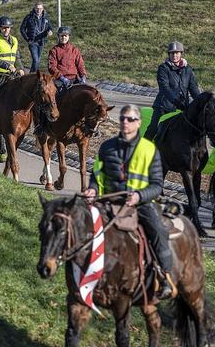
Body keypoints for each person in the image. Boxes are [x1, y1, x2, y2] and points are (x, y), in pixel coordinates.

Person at [83, 104, 175, 300]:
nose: (125, 122)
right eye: (123, 118)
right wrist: (93, 189)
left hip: (140, 204)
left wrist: (140, 196)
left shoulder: (150, 149)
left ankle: (165, 276)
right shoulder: (107, 147)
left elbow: (158, 185)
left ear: (139, 123)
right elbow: (97, 174)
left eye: (131, 119)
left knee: (158, 230)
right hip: (108, 201)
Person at [34, 26, 87, 136]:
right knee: (50, 97)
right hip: (59, 80)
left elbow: (80, 64)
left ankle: (87, 125)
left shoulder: (75, 50)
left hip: (74, 79)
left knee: (86, 98)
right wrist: (62, 78)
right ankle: (42, 125)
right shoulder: (54, 50)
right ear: (58, 37)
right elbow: (52, 67)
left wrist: (83, 77)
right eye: (61, 36)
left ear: (69, 37)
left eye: (65, 36)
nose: (63, 37)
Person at [144, 41, 200, 140]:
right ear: (169, 54)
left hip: (183, 107)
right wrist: (175, 101)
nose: (174, 55)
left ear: (181, 54)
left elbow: (193, 89)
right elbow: (165, 88)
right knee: (153, 128)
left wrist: (201, 101)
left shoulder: (188, 70)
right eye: (172, 53)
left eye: (177, 53)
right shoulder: (163, 68)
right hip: (163, 107)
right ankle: (143, 148)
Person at [20, 1, 53, 72]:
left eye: (40, 9)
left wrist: (50, 31)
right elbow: (22, 29)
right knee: (36, 60)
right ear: (34, 8)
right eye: (37, 8)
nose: (39, 10)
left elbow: (50, 27)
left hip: (41, 42)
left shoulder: (46, 17)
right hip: (32, 42)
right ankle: (34, 75)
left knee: (37, 61)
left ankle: (31, 74)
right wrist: (27, 39)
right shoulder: (29, 17)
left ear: (43, 9)